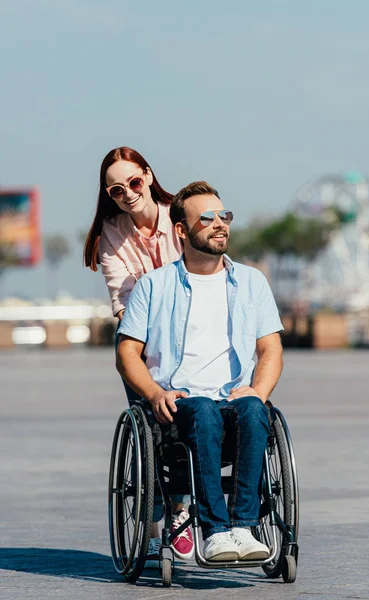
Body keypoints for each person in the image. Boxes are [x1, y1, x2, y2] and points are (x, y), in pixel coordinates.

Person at [117, 181, 284, 561]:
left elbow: (270, 348)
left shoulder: (252, 282)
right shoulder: (153, 286)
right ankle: (215, 532)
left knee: (259, 409)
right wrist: (155, 394)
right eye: (207, 218)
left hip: (235, 399)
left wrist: (258, 390)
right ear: (181, 229)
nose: (220, 224)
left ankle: (243, 527)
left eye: (224, 216)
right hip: (180, 403)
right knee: (204, 411)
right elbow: (127, 352)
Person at [83, 146, 193, 562]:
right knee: (148, 423)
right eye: (116, 189)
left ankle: (181, 512)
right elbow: (123, 295)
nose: (128, 193)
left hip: (190, 332)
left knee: (184, 422)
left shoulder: (179, 214)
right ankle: (149, 523)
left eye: (134, 182)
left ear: (148, 175)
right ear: (109, 196)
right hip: (142, 333)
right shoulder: (111, 232)